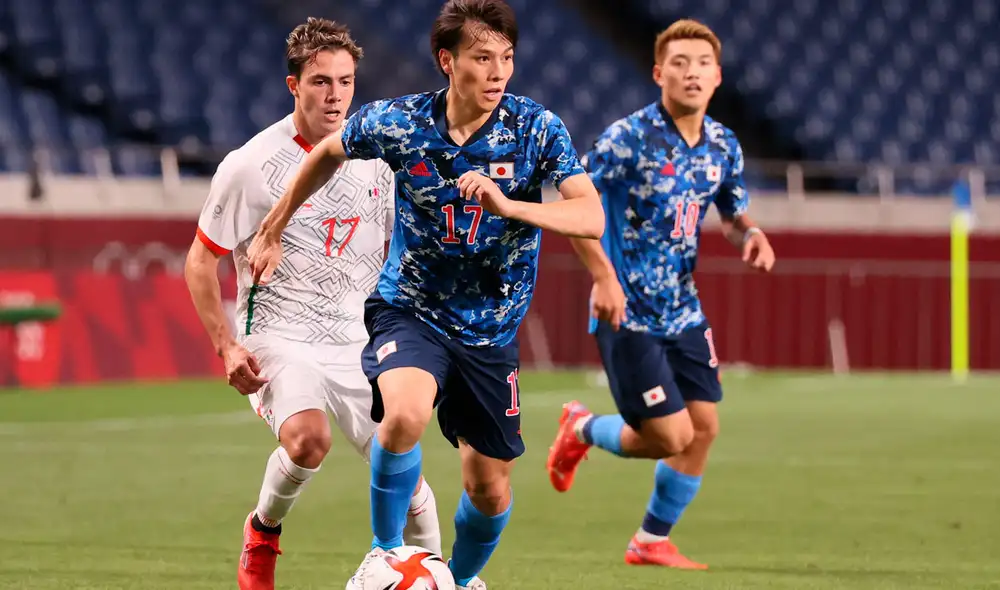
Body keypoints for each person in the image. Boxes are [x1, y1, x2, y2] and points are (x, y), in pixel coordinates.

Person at [245, 2, 605, 588]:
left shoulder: (537, 128)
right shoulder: (399, 123)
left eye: (507, 58)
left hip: (491, 331)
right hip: (411, 310)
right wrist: (275, 224)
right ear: (447, 60)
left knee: (488, 490)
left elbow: (591, 216)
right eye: (482, 57)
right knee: (404, 415)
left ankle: (455, 581)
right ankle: (384, 554)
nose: (498, 73)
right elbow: (329, 153)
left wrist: (512, 206)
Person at [183, 18, 442, 590]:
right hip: (279, 334)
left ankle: (445, 577)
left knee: (412, 485)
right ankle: (263, 533)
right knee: (308, 440)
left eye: (345, 82)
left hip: (360, 340)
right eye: (321, 82)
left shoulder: (377, 157)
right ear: (292, 85)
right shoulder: (249, 166)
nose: (335, 95)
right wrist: (227, 346)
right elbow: (201, 261)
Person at [545, 19, 776, 570]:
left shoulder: (722, 144)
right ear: (658, 73)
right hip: (627, 311)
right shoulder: (626, 139)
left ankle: (650, 541)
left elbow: (733, 212)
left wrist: (753, 234)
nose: (691, 72)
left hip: (683, 309)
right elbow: (578, 210)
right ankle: (580, 427)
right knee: (672, 436)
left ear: (717, 76)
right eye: (679, 62)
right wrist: (603, 277)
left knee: (705, 428)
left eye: (701, 63)